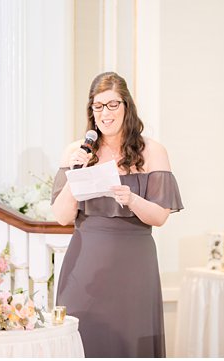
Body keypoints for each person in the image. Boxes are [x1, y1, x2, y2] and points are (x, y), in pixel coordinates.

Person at [52, 72, 182, 358]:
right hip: (85, 262)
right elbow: (62, 216)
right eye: (98, 106)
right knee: (84, 339)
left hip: (134, 262)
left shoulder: (152, 151)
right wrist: (77, 174)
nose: (105, 113)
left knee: (130, 340)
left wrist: (132, 199)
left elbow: (160, 216)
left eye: (112, 105)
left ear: (127, 107)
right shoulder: (76, 151)